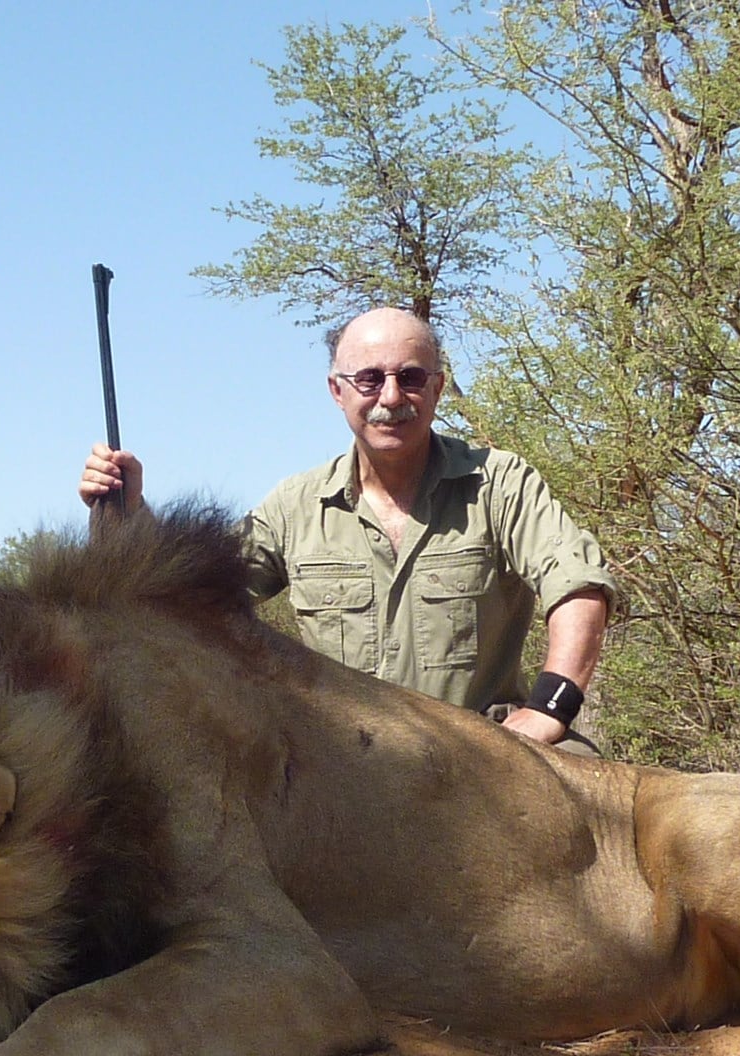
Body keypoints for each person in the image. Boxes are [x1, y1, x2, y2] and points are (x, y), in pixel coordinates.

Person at [78, 307, 616, 751]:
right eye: (368, 379)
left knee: (595, 791)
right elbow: (193, 591)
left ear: (437, 388)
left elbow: (578, 585)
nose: (389, 397)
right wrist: (129, 511)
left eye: (409, 377)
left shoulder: (500, 483)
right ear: (338, 392)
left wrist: (551, 707)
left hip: (483, 745)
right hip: (342, 760)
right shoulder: (294, 505)